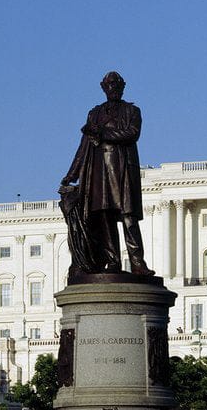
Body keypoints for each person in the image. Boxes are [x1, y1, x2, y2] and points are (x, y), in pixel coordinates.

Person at [61, 71, 152, 276]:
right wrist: (71, 175)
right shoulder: (94, 114)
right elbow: (84, 146)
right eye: (109, 85)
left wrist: (102, 134)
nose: (113, 88)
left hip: (122, 169)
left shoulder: (132, 111)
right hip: (99, 171)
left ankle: (138, 263)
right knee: (105, 217)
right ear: (103, 87)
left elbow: (132, 133)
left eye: (116, 85)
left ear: (123, 86)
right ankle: (113, 262)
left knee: (128, 217)